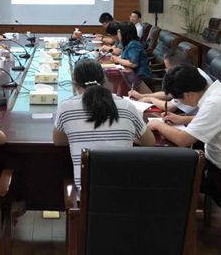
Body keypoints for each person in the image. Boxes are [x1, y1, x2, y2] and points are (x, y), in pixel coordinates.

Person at [148, 65, 221, 198]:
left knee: (171, 173)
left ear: (188, 95)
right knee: (178, 164)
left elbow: (183, 140)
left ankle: (183, 209)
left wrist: (157, 124)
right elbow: (215, 118)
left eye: (178, 99)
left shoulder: (215, 103)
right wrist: (182, 119)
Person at [53, 59, 155, 190]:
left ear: (75, 83)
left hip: (87, 197)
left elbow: (59, 142)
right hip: (126, 193)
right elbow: (150, 142)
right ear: (104, 80)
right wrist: (129, 135)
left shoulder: (66, 107)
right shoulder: (127, 106)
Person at [128, 47, 212, 116]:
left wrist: (150, 99)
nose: (165, 71)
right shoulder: (191, 71)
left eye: (167, 68)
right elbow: (168, 94)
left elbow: (170, 107)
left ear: (176, 68)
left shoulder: (189, 79)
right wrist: (142, 96)